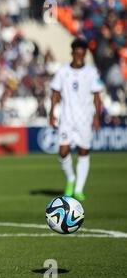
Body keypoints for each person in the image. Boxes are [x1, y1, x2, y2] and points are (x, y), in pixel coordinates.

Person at [49, 38, 103, 202]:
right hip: (66, 118)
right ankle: (71, 178)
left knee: (83, 152)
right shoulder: (62, 71)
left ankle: (78, 189)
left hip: (85, 119)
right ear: (72, 53)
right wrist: (52, 113)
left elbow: (97, 96)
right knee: (63, 151)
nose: (80, 56)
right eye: (77, 52)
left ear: (85, 54)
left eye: (82, 53)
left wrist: (96, 117)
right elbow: (55, 93)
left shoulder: (91, 72)